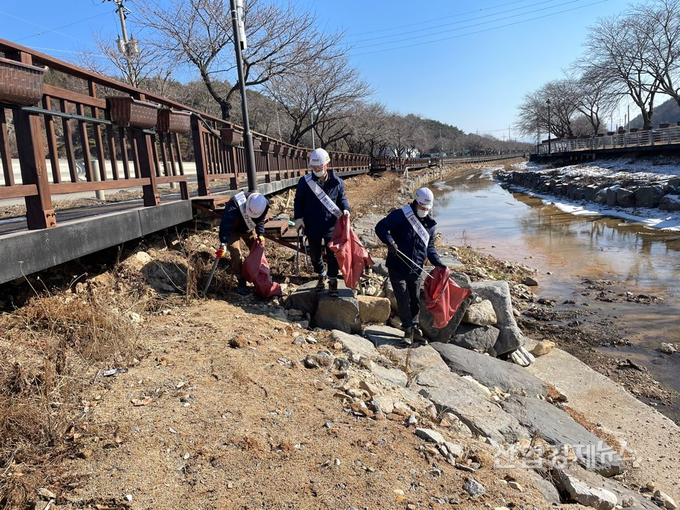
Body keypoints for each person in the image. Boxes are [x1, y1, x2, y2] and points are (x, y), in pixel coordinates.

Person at [375, 187, 447, 345]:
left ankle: (414, 328)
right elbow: (380, 227)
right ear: (416, 202)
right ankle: (408, 329)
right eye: (422, 207)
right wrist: (390, 242)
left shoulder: (430, 225)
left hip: (416, 269)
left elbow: (430, 248)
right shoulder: (400, 215)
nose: (424, 210)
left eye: (427, 208)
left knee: (415, 299)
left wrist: (439, 263)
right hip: (397, 266)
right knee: (403, 298)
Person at [293, 148, 350, 298]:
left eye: (319, 167)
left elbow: (342, 199)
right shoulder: (305, 182)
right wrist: (298, 218)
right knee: (315, 254)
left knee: (333, 255)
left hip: (332, 225)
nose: (317, 170)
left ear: (327, 165)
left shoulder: (337, 182)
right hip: (312, 225)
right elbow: (298, 201)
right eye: (314, 168)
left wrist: (346, 209)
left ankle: (333, 280)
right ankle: (321, 275)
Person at [218, 191, 269, 294]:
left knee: (257, 250)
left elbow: (261, 220)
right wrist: (223, 242)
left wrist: (260, 234)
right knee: (235, 254)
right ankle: (240, 280)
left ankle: (260, 276)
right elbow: (226, 223)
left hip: (248, 228)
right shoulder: (235, 203)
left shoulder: (264, 205)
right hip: (233, 230)